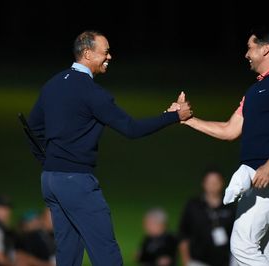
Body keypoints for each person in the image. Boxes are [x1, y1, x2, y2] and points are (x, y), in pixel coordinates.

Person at [27, 30, 192, 266]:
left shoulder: (52, 83)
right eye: (105, 52)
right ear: (87, 53)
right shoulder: (93, 93)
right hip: (77, 182)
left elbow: (33, 126)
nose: (110, 56)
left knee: (68, 255)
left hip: (50, 181)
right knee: (107, 255)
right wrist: (175, 117)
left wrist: (49, 160)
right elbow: (131, 129)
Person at [179, 25, 269, 265]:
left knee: (241, 247)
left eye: (250, 48)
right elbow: (229, 130)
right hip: (255, 181)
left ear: (265, 49)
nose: (246, 54)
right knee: (261, 251)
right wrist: (186, 120)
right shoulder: (254, 90)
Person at [178, 169, 236, 266]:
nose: (213, 185)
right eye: (210, 182)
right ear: (203, 184)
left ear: (222, 183)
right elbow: (183, 235)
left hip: (225, 261)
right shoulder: (193, 206)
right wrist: (186, 261)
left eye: (216, 182)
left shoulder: (230, 206)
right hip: (197, 261)